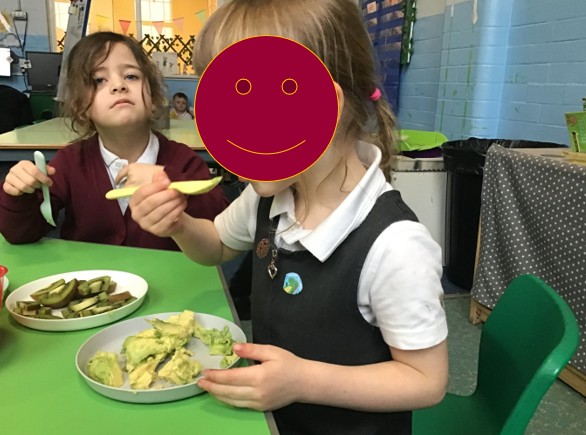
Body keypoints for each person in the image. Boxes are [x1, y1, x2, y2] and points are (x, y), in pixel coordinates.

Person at [129, 0, 448, 433]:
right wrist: (178, 224)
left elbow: (426, 381)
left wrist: (301, 381)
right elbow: (216, 246)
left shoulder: (395, 246)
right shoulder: (272, 195)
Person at [0, 32, 228, 251]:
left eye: (131, 76)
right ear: (81, 107)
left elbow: (221, 225)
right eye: (99, 80)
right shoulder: (70, 162)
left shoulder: (183, 160)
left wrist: (172, 185)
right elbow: (21, 233)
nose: (118, 85)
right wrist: (18, 195)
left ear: (154, 99)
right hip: (89, 276)